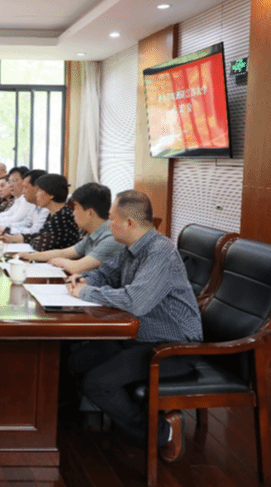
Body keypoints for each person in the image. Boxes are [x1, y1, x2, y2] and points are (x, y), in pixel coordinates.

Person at [65, 190, 202, 463]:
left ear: (129, 223)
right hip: (139, 334)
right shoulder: (131, 247)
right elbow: (106, 273)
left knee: (98, 384)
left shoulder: (160, 252)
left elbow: (135, 301)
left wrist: (86, 293)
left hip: (172, 346)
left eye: (112, 219)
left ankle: (165, 432)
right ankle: (81, 423)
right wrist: (84, 280)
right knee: (76, 360)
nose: (108, 224)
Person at [16, 182, 124, 274]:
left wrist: (59, 261)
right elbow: (63, 253)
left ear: (90, 213)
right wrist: (30, 256)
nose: (73, 213)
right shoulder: (93, 234)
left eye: (76, 208)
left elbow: (76, 267)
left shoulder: (110, 238)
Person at [3, 173, 80, 252]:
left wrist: (19, 239)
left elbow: (40, 244)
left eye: (39, 190)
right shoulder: (54, 213)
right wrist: (11, 238)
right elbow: (39, 235)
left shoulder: (63, 216)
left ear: (51, 194)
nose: (36, 194)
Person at [0, 169, 49, 238]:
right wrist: (3, 227)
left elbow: (34, 232)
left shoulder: (45, 208)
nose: (10, 185)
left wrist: (5, 229)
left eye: (25, 187)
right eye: (9, 182)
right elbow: (25, 223)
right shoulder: (35, 206)